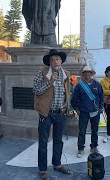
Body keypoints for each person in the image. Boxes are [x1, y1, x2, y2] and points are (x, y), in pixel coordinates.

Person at [33, 49, 71, 179]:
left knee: (58, 141)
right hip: (46, 113)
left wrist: (67, 106)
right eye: (53, 59)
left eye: (58, 59)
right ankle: (43, 170)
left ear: (61, 61)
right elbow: (36, 90)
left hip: (60, 113)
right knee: (43, 142)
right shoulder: (42, 73)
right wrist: (49, 82)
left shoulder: (66, 74)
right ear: (49, 62)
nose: (56, 61)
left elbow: (67, 93)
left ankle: (57, 164)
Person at [71, 66, 104, 158]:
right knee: (82, 131)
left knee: (95, 130)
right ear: (83, 74)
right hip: (83, 112)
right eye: (85, 73)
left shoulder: (97, 85)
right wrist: (77, 110)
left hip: (95, 111)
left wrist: (100, 108)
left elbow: (101, 97)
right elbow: (74, 100)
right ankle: (80, 148)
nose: (87, 75)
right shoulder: (79, 86)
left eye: (89, 73)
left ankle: (94, 147)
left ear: (92, 74)